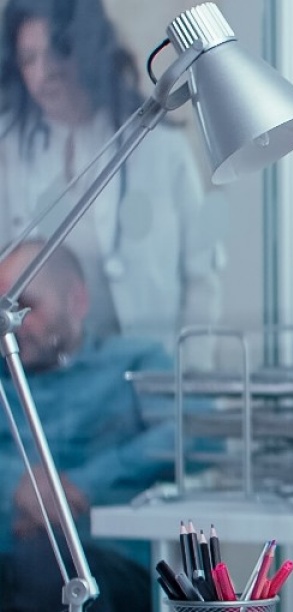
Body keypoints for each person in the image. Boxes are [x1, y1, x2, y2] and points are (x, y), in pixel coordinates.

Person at [0, 0, 224, 351]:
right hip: (43, 375)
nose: (46, 72)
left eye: (59, 50)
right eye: (29, 59)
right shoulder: (8, 150)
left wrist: (189, 376)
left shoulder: (159, 146)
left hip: (150, 373)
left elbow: (201, 276)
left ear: (89, 49)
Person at [0, 240, 202, 611]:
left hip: (107, 561)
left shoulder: (134, 362)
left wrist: (80, 486)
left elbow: (197, 432)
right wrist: (17, 482)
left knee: (49, 567)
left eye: (25, 306)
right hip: (9, 558)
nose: (10, 325)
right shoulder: (3, 377)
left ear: (76, 302)